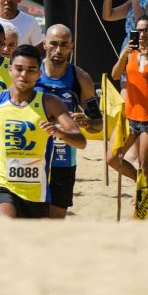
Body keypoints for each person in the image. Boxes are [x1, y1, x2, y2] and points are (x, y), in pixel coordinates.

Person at [0, 45, 85, 218]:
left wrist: (61, 134)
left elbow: (80, 141)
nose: (24, 75)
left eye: (31, 70)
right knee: (6, 222)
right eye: (19, 69)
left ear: (39, 74)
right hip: (0, 183)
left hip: (36, 191)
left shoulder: (50, 103)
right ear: (10, 70)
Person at [34, 24, 99, 218]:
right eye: (53, 44)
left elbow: (99, 124)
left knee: (56, 218)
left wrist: (87, 121)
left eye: (64, 45)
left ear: (71, 46)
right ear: (44, 44)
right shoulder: (30, 71)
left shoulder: (80, 78)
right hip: (31, 156)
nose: (58, 50)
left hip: (63, 159)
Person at [110, 14, 148, 187]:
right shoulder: (130, 54)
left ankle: (143, 194)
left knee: (144, 163)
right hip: (130, 117)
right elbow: (115, 75)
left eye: (147, 30)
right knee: (112, 158)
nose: (142, 34)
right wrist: (122, 56)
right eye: (139, 30)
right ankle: (142, 183)